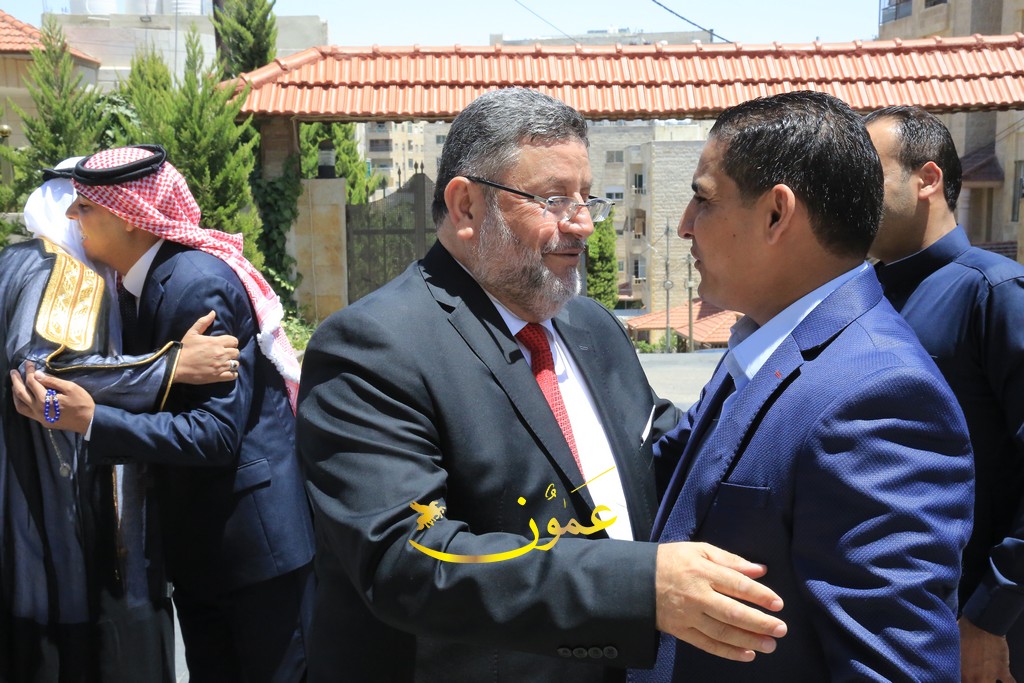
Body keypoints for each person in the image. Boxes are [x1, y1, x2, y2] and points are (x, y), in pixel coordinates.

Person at [296, 87, 787, 683]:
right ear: (466, 206)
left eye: (587, 198)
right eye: (554, 200)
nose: (582, 224)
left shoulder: (591, 325)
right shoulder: (373, 348)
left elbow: (661, 454)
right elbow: (408, 558)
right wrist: (640, 587)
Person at [642, 91, 974, 681]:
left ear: (777, 214)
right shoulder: (765, 344)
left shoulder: (877, 397)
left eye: (704, 199)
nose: (685, 225)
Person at [11, 146, 315, 683]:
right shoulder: (135, 285)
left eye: (86, 206)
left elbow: (214, 435)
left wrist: (91, 420)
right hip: (203, 553)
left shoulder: (194, 284)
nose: (72, 216)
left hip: (252, 554)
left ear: (129, 215)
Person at [865, 105, 1024, 683]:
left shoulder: (995, 295)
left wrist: (991, 615)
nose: (849, 194)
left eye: (867, 175)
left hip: (976, 633)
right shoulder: (860, 299)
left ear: (927, 179)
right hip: (885, 624)